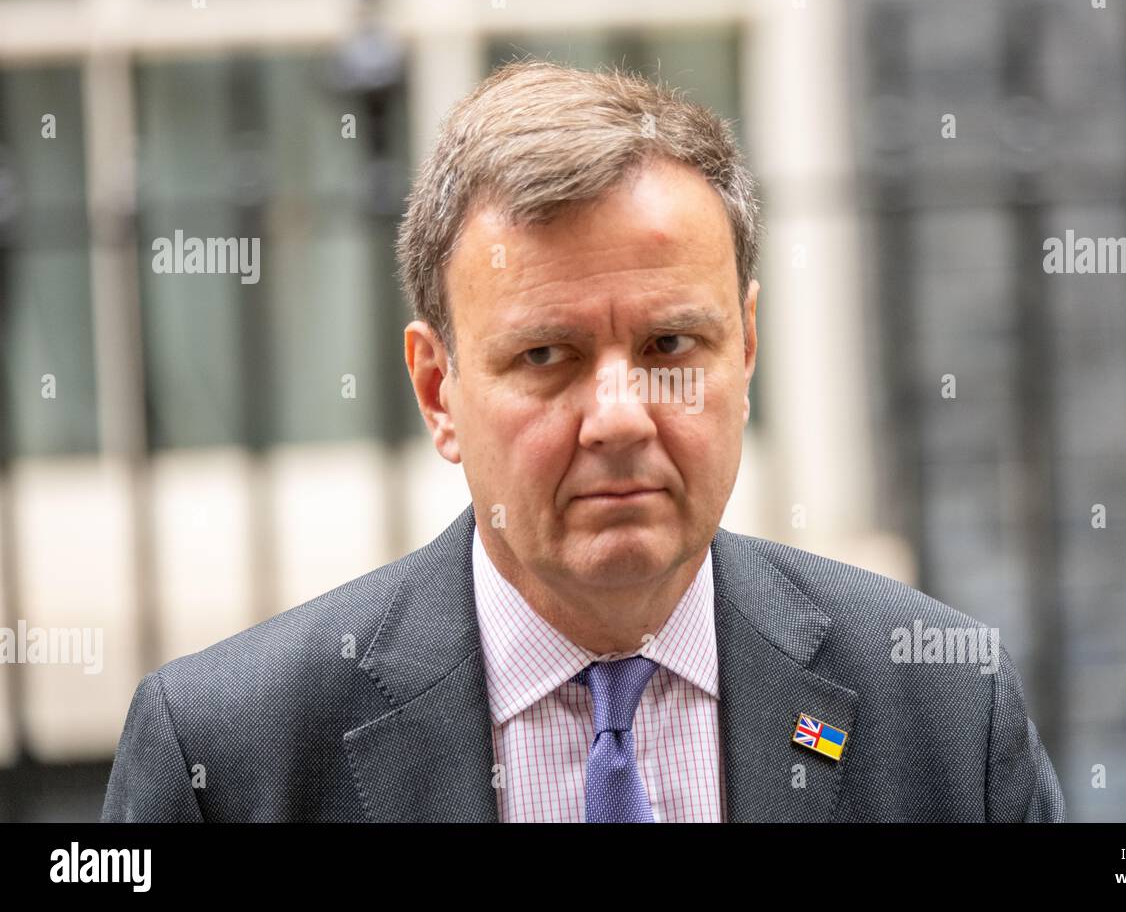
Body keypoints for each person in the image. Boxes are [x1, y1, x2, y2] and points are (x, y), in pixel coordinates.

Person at [102, 60, 1065, 822]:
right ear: (439, 390)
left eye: (670, 344)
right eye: (547, 355)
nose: (617, 416)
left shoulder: (943, 710)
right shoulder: (227, 760)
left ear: (749, 347)